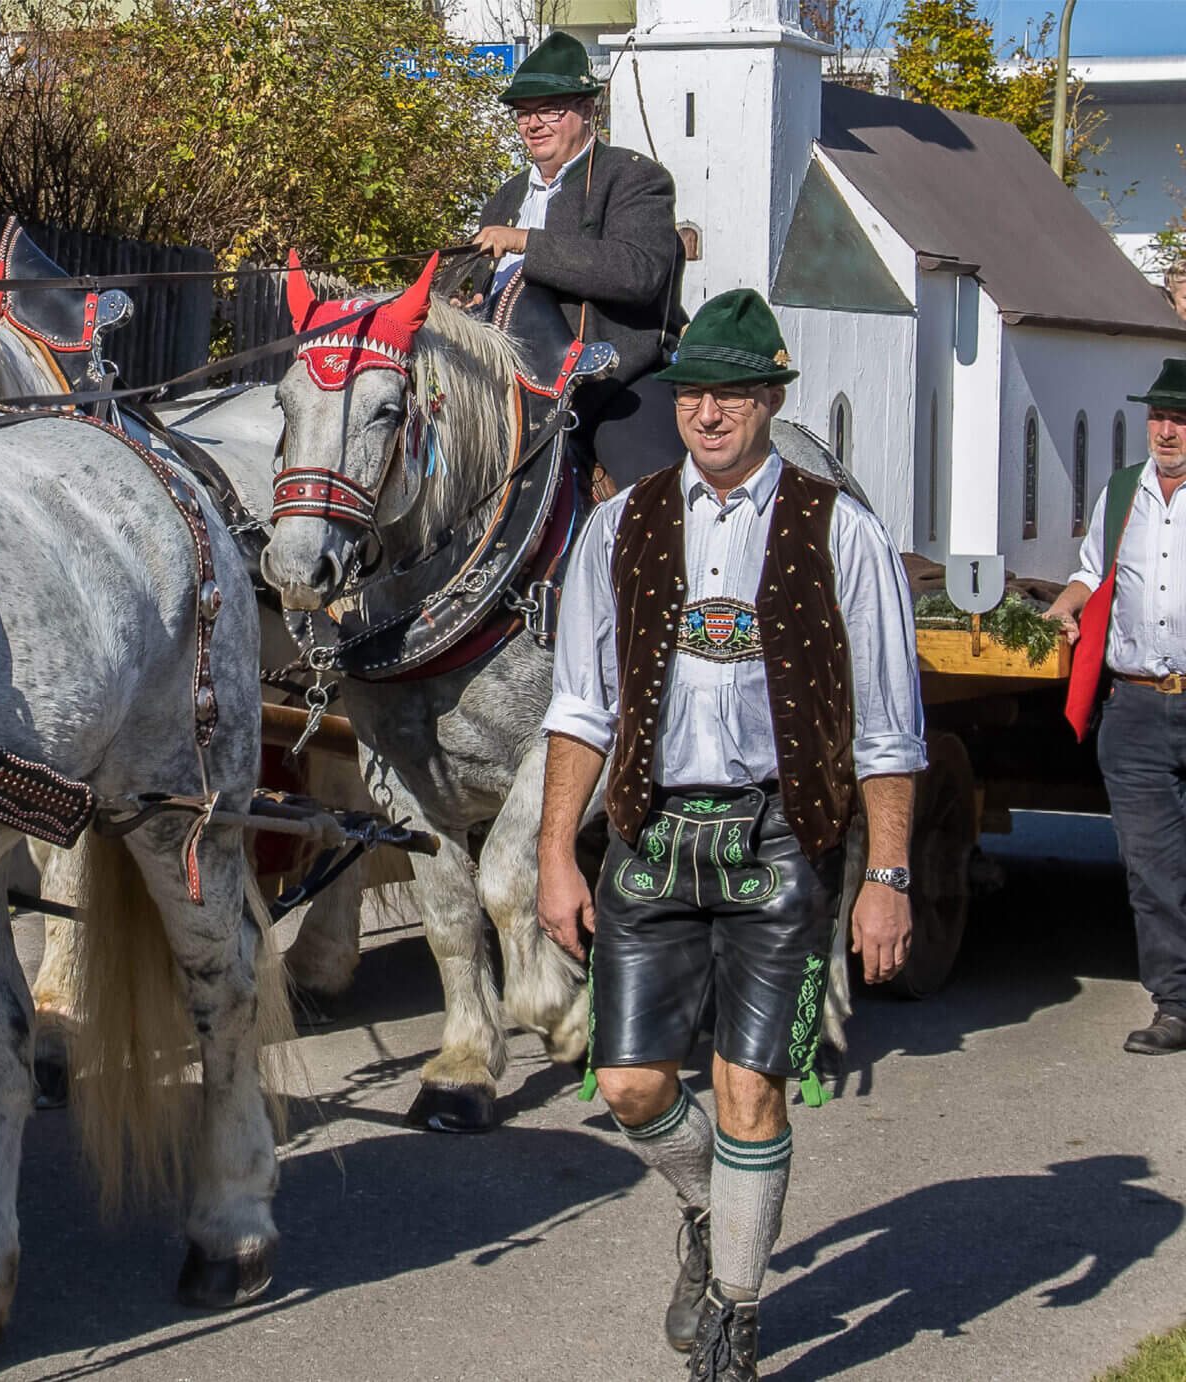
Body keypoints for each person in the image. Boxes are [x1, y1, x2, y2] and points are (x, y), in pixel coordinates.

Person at [534, 290, 924, 1380]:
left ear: (770, 400)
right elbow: (579, 706)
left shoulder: (839, 527)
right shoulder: (620, 525)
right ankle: (718, 1215)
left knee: (749, 1085)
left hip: (781, 835)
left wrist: (884, 874)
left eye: (734, 393)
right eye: (694, 392)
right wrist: (553, 850)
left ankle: (737, 1315)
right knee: (628, 1084)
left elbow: (890, 728)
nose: (708, 412)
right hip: (650, 834)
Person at [469, 30, 690, 497]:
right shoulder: (507, 195)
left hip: (612, 387)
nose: (534, 124)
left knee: (656, 499)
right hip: (507, 397)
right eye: (524, 113)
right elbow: (480, 283)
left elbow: (637, 272)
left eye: (550, 109)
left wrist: (526, 242)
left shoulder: (633, 177)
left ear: (587, 111)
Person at [1043, 359, 1186, 1057]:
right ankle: (1176, 1004)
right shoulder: (1123, 491)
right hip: (1133, 703)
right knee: (1152, 869)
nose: (1166, 430)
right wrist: (1063, 611)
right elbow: (1092, 571)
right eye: (1160, 416)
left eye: (1179, 419)